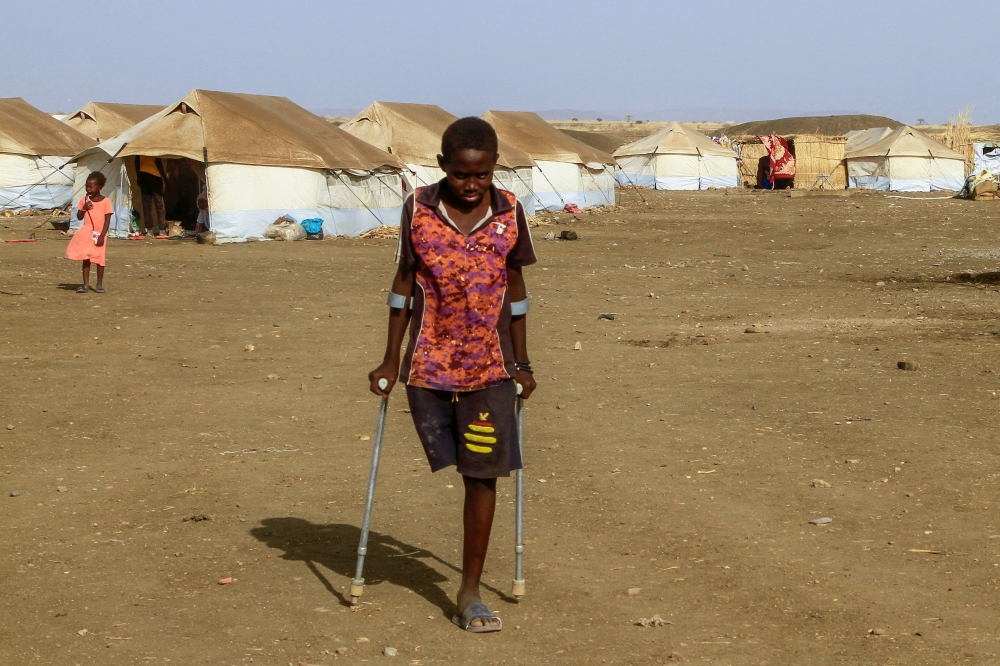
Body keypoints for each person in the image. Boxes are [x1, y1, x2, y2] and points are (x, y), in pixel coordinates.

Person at [368, 117, 537, 633]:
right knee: (451, 464)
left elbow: (516, 289)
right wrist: (390, 358)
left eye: (482, 175)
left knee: (482, 475)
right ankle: (466, 586)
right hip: (429, 366)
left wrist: (522, 362)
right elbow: (403, 282)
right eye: (463, 174)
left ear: (493, 170)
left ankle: (469, 592)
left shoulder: (509, 212)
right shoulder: (418, 209)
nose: (472, 185)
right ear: (443, 166)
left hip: (489, 367)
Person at [65, 171, 113, 293]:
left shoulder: (105, 201)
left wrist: (102, 235)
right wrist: (84, 208)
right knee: (86, 258)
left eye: (92, 186)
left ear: (100, 187)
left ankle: (99, 284)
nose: (89, 189)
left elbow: (107, 220)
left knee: (100, 258)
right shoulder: (84, 200)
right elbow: (79, 217)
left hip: (100, 233)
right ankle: (85, 284)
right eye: (87, 186)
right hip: (87, 232)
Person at [136, 156, 167, 238]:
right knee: (159, 203)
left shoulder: (139, 150)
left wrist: (138, 177)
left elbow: (136, 163)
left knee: (146, 204)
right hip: (155, 175)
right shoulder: (153, 149)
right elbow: (158, 163)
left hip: (142, 174)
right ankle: (162, 229)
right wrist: (164, 178)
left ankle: (149, 230)